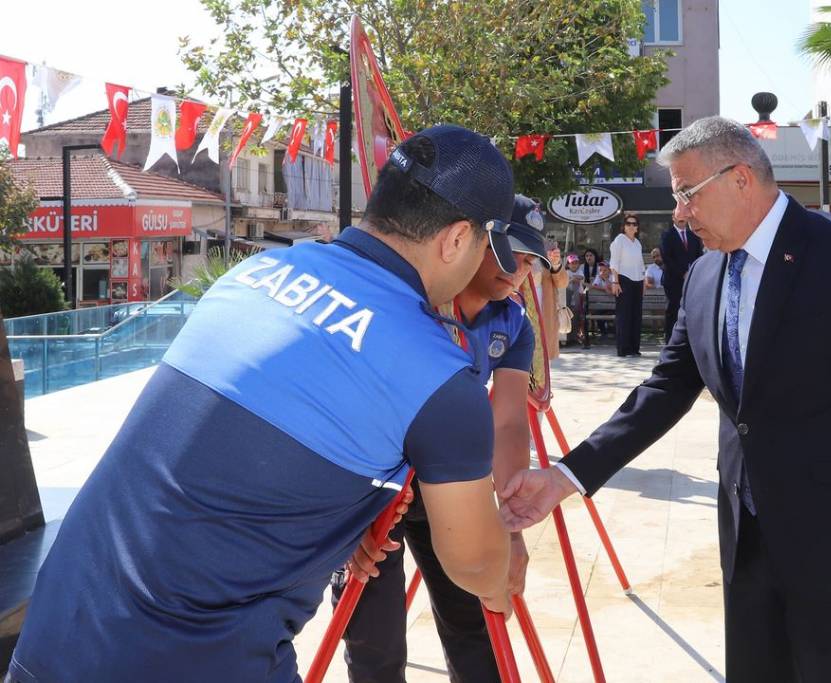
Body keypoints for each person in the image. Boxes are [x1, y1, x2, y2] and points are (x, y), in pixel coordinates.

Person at [7, 125, 519, 683]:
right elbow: (473, 563)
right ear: (457, 238)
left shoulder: (256, 274)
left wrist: (337, 535)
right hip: (196, 657)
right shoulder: (440, 378)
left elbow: (232, 467)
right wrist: (506, 566)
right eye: (490, 245)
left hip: (59, 633)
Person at [499, 116, 831, 683]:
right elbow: (664, 390)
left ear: (740, 180)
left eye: (686, 193)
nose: (679, 212)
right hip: (746, 540)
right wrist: (566, 477)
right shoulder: (705, 274)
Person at [335, 195, 549, 683]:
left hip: (447, 481)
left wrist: (510, 526)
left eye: (530, 259)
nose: (518, 269)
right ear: (468, 242)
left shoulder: (511, 322)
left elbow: (509, 422)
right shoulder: (412, 305)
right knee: (374, 638)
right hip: (376, 483)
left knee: (476, 620)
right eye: (508, 251)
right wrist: (346, 517)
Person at [609, 212, 646, 357]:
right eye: (628, 224)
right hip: (623, 280)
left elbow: (640, 264)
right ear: (624, 226)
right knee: (624, 316)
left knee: (636, 316)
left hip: (638, 281)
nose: (631, 226)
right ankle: (623, 349)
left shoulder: (637, 243)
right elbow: (614, 263)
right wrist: (615, 281)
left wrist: (643, 283)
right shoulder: (619, 240)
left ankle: (634, 348)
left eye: (634, 224)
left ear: (637, 228)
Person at [660, 221, 704, 343]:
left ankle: (687, 342)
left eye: (684, 217)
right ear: (673, 217)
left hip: (692, 280)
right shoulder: (667, 235)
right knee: (673, 310)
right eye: (678, 216)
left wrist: (694, 272)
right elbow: (667, 258)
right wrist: (682, 273)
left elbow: (698, 255)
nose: (681, 219)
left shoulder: (693, 235)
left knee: (691, 311)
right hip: (673, 281)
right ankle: (670, 341)